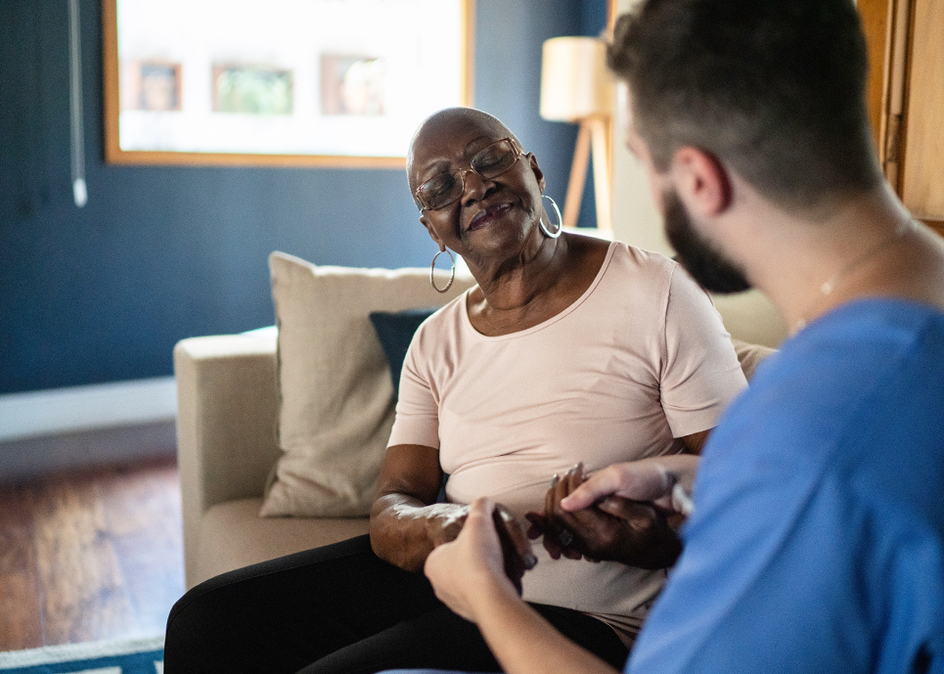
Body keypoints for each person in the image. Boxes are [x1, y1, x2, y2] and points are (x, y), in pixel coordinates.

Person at [404, 1, 944, 673]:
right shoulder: (896, 355)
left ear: (697, 180)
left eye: (642, 163)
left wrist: (486, 596)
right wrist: (696, 481)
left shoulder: (807, 439)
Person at [161, 106, 747, 673]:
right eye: (439, 187)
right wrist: (440, 524)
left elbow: (745, 486)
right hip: (454, 572)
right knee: (205, 624)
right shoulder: (434, 342)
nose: (474, 187)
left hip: (592, 616)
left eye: (489, 159)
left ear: (533, 170)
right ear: (433, 228)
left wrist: (658, 542)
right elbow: (393, 503)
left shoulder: (657, 291)